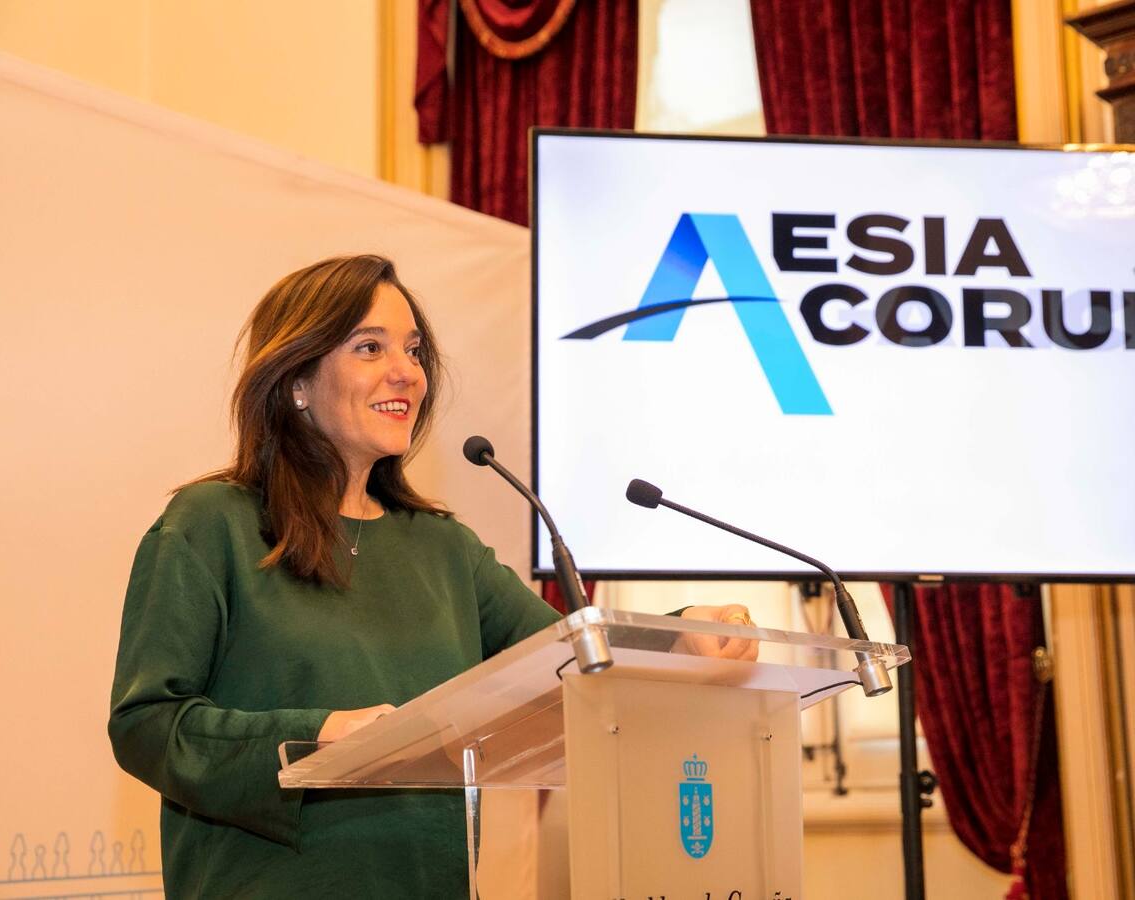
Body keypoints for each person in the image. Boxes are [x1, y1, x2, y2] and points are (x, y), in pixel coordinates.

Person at [108, 254, 757, 898]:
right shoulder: (211, 524)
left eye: (413, 350)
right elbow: (146, 725)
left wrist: (683, 634)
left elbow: (571, 660)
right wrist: (315, 737)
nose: (407, 373)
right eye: (370, 347)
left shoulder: (445, 549)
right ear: (297, 380)